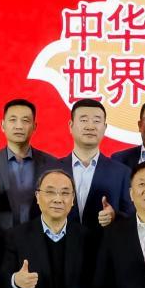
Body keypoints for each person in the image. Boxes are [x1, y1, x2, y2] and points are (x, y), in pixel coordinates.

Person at [0, 99, 55, 231]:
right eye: (13, 120)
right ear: (2, 125)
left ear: (34, 126)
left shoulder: (51, 163)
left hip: (38, 235)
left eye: (25, 121)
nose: (19, 126)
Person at [57, 98, 133, 232]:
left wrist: (115, 216)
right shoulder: (52, 169)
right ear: (71, 125)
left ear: (105, 127)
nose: (90, 126)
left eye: (97, 121)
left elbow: (133, 217)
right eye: (83, 120)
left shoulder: (122, 173)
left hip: (105, 243)